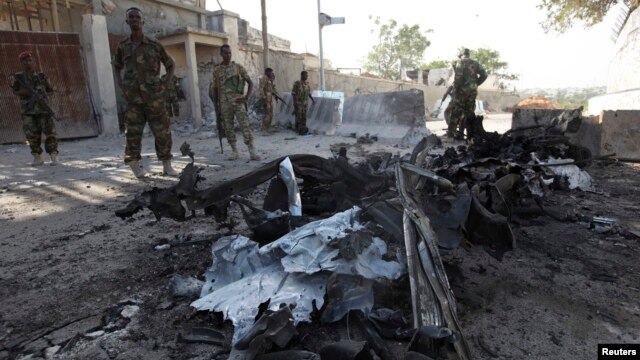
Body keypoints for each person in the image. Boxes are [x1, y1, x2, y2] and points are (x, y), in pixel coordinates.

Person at [112, 7, 178, 178]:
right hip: (133, 100)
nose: (134, 19)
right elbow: (116, 66)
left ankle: (166, 165)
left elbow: (170, 64)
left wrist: (165, 85)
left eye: (137, 17)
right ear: (127, 22)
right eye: (131, 17)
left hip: (154, 97)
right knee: (133, 133)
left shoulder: (155, 45)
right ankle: (134, 165)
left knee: (162, 132)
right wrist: (121, 85)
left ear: (142, 22)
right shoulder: (122, 46)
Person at [210, 44, 260, 161]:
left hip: (238, 102)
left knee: (245, 125)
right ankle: (234, 151)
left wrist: (246, 97)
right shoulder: (217, 71)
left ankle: (252, 151)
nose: (228, 55)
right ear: (221, 54)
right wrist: (217, 106)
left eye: (229, 53)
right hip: (224, 104)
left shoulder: (238, 68)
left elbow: (250, 83)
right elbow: (216, 89)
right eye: (225, 53)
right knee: (228, 128)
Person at [10, 50, 59, 166]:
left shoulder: (41, 76)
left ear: (33, 61)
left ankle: (53, 156)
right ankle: (37, 157)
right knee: (31, 135)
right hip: (28, 111)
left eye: (30, 60)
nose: (28, 63)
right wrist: (25, 92)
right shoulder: (18, 77)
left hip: (43, 110)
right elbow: (15, 91)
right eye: (25, 61)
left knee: (50, 133)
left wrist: (43, 95)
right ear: (21, 63)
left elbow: (51, 91)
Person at [449, 48, 487, 140]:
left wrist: (456, 89)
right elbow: (484, 75)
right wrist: (476, 83)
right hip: (472, 91)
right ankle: (470, 135)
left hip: (461, 90)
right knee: (469, 113)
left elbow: (458, 77)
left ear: (461, 55)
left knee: (456, 112)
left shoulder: (460, 62)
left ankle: (451, 135)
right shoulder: (475, 63)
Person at [257, 68, 281, 133]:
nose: (272, 74)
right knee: (267, 114)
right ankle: (264, 129)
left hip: (269, 99)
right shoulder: (264, 78)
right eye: (271, 72)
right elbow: (261, 89)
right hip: (266, 100)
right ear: (267, 72)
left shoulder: (269, 80)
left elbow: (271, 88)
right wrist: (263, 98)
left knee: (270, 114)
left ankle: (268, 127)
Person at [291, 71, 315, 135]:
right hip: (298, 103)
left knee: (304, 116)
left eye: (307, 75)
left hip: (305, 103)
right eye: (305, 75)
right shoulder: (297, 83)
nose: (307, 76)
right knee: (298, 116)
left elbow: (308, 93)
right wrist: (295, 103)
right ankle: (297, 128)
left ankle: (303, 128)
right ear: (302, 75)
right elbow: (293, 93)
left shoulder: (307, 84)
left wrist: (312, 100)